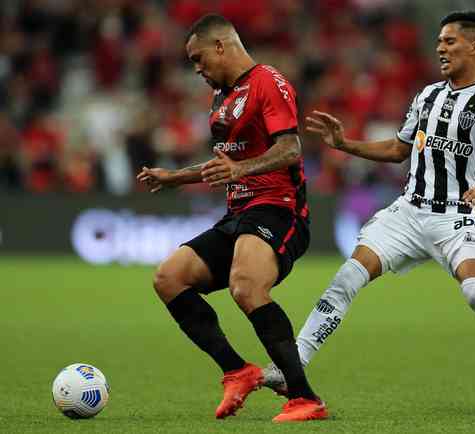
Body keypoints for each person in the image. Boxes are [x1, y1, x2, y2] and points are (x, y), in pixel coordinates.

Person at [263, 11, 475, 417]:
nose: (440, 48)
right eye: (439, 41)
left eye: (450, 41)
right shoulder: (427, 95)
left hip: (460, 215)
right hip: (410, 213)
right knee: (347, 277)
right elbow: (399, 149)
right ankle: (294, 368)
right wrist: (345, 144)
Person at [136, 14, 328, 423]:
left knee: (245, 285)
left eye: (198, 58)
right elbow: (229, 161)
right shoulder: (223, 97)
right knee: (169, 278)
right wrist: (177, 177)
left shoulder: (267, 82)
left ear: (221, 46)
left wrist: (241, 171)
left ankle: (304, 397)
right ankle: (237, 370)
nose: (197, 69)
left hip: (280, 208)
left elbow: (291, 148)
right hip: (238, 214)